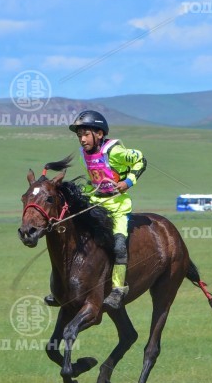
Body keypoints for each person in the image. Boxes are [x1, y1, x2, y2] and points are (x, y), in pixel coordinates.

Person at [45, 110, 147, 311]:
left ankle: (118, 289)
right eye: (79, 135)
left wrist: (127, 182)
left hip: (117, 206)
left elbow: (141, 161)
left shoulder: (115, 152)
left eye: (85, 134)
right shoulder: (85, 155)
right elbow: (95, 180)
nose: (82, 139)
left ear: (99, 134)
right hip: (95, 202)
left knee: (119, 245)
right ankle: (62, 289)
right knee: (67, 234)